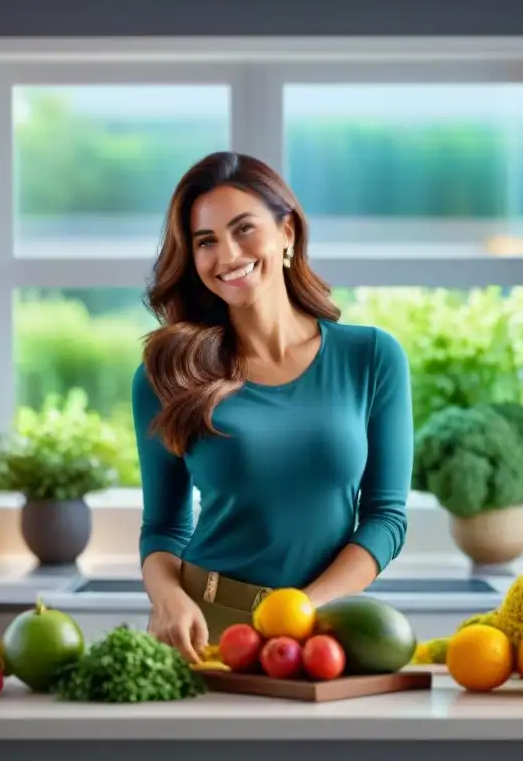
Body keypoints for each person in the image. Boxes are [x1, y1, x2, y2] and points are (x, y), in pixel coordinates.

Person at [131, 151, 414, 663]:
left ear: (287, 233)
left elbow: (385, 518)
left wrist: (305, 608)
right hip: (205, 631)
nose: (228, 254)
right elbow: (164, 528)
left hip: (327, 630)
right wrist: (168, 598)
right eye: (206, 242)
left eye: (244, 229)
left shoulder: (371, 357)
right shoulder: (168, 374)